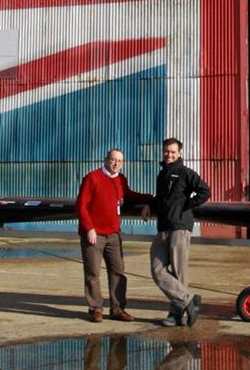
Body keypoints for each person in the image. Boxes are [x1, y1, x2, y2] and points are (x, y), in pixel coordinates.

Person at [76, 149, 152, 322]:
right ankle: (95, 308)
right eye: (113, 160)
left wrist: (150, 200)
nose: (116, 163)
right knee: (93, 272)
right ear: (105, 160)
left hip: (113, 234)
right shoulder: (92, 178)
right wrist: (89, 228)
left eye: (120, 161)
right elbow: (81, 205)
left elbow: (130, 195)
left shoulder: (120, 179)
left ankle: (118, 309)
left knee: (118, 271)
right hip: (93, 235)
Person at [148, 138, 211, 327]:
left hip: (179, 227)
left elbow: (204, 192)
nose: (169, 155)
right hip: (163, 227)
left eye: (173, 152)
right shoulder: (162, 175)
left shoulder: (185, 173)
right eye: (166, 151)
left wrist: (185, 206)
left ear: (179, 153)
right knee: (156, 269)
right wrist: (149, 205)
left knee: (178, 272)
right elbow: (160, 198)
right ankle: (189, 300)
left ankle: (176, 315)